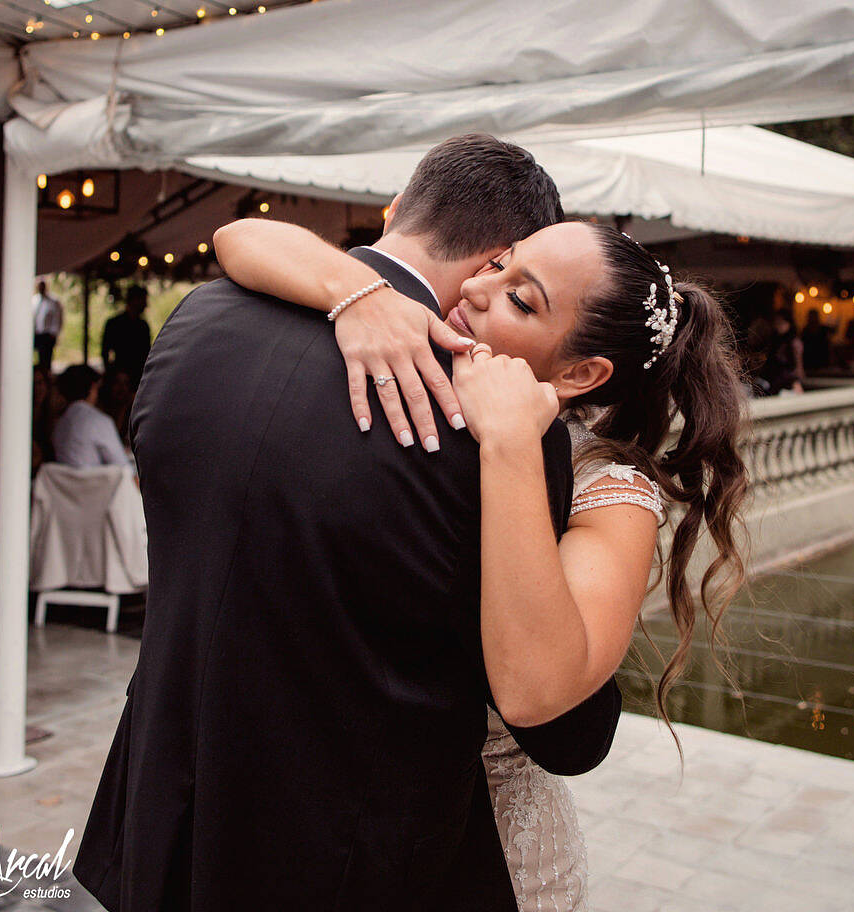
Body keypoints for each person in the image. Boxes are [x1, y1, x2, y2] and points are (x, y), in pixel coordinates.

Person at [74, 136, 629, 912]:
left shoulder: (195, 319)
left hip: (165, 804)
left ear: (397, 209)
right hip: (349, 859)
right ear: (491, 264)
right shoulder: (487, 425)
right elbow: (560, 723)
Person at [204, 161, 750, 910]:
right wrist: (357, 294)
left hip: (491, 855)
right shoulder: (428, 362)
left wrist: (513, 445)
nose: (477, 290)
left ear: (583, 372)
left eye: (520, 300)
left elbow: (534, 691)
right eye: (499, 263)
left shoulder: (610, 492)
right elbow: (239, 236)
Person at [51, 365, 131, 469]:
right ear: (93, 388)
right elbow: (123, 467)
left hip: (66, 484)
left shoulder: (58, 423)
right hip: (96, 484)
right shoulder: (99, 421)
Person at [102, 284, 152, 386]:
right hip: (120, 377)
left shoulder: (143, 326)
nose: (146, 305)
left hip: (138, 377)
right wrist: (113, 374)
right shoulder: (114, 324)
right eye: (143, 300)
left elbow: (147, 353)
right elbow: (105, 351)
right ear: (134, 300)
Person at [32, 277, 63, 368]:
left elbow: (57, 319)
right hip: (36, 333)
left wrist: (54, 333)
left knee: (46, 358)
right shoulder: (34, 300)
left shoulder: (53, 302)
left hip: (47, 334)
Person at [799, 307, 832, 372]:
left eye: (814, 316)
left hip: (822, 360)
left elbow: (828, 345)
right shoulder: (805, 330)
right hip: (809, 361)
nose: (813, 318)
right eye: (811, 316)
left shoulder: (823, 329)